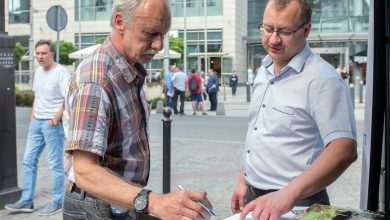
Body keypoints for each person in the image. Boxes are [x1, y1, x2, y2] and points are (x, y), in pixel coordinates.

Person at [62, 0, 212, 219]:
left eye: (163, 33)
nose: (159, 44)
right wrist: (154, 203)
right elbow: (85, 171)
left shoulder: (129, 67)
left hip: (118, 202)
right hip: (96, 206)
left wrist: (144, 206)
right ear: (120, 21)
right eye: (150, 33)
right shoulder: (96, 80)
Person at [230, 1, 357, 220]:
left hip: (297, 204)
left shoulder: (323, 79)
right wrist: (244, 179)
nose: (274, 39)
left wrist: (288, 194)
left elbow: (344, 148)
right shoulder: (264, 68)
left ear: (306, 29)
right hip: (254, 198)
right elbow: (260, 131)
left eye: (285, 31)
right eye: (268, 29)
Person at [4, 39, 70, 215]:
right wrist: (33, 114)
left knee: (55, 164)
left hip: (51, 124)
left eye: (44, 53)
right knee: (28, 160)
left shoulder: (61, 72)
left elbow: (69, 97)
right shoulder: (39, 72)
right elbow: (37, 95)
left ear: (52, 54)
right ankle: (27, 201)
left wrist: (56, 118)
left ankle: (57, 201)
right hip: (36, 122)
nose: (40, 57)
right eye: (38, 53)